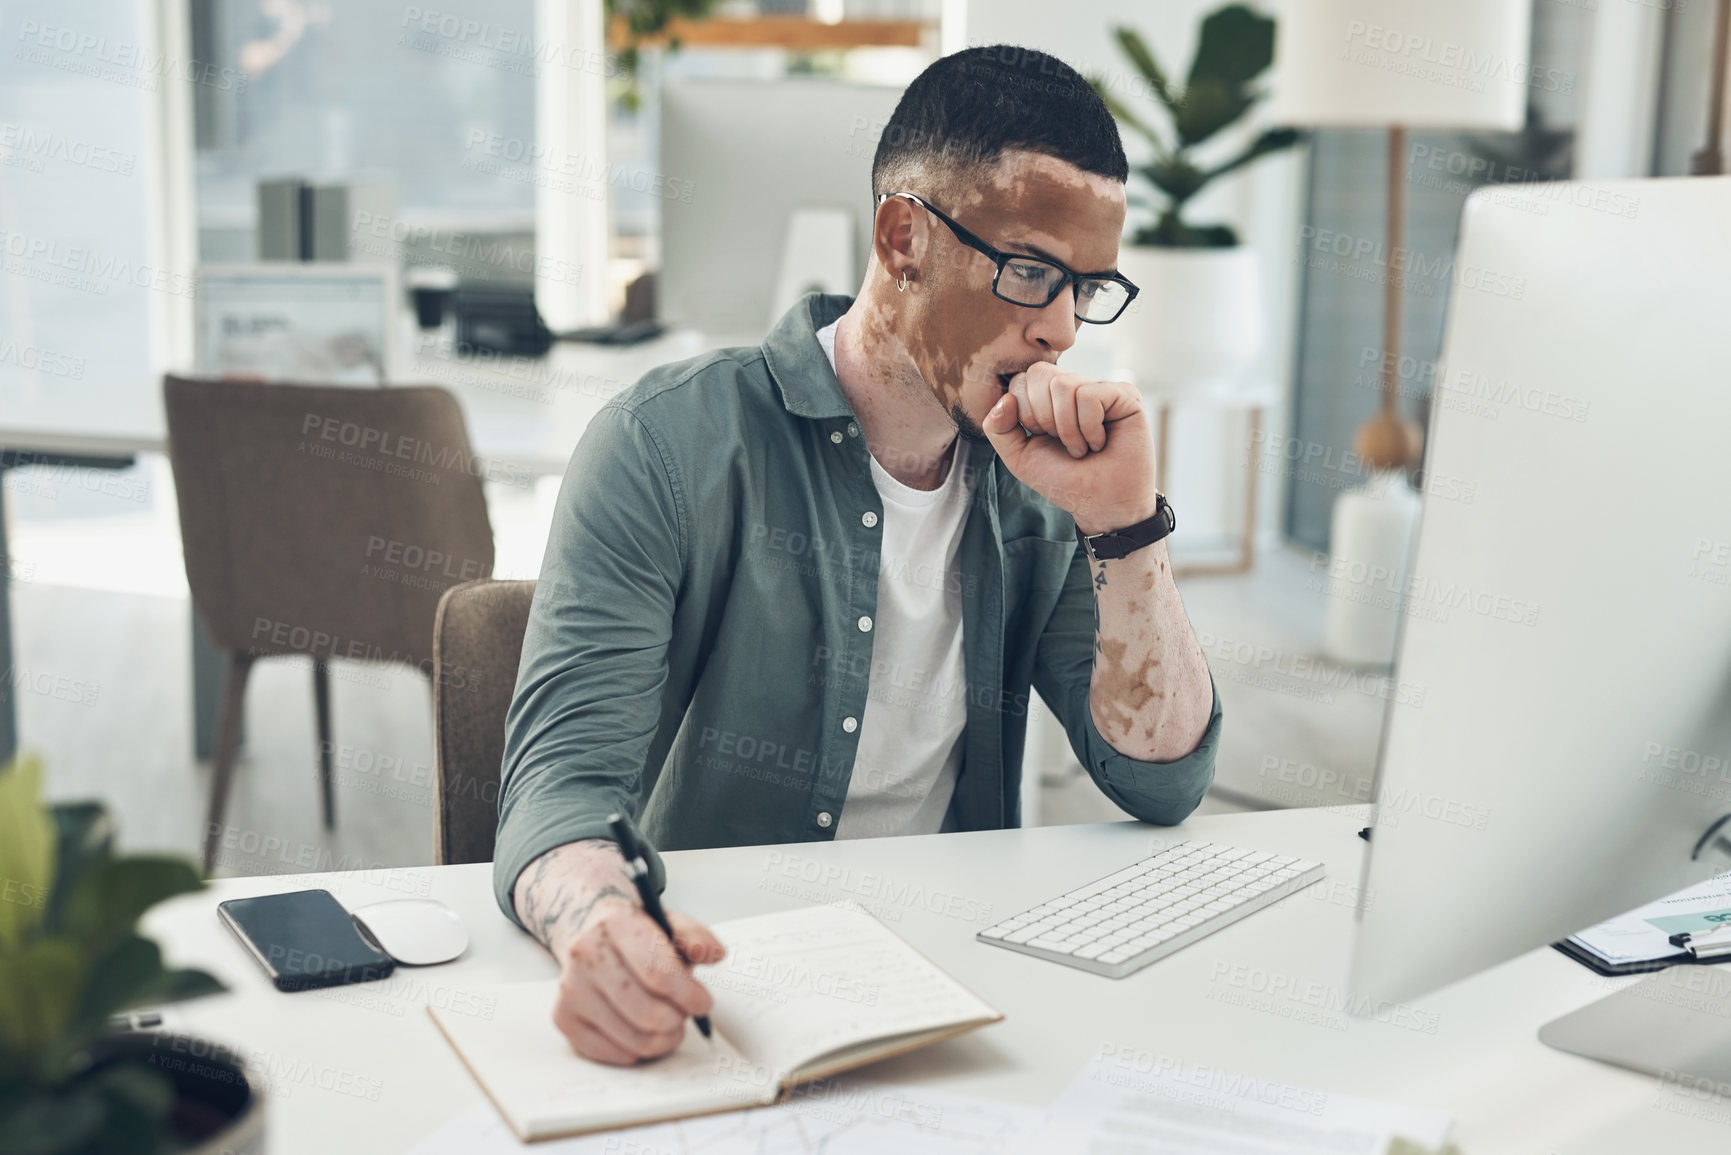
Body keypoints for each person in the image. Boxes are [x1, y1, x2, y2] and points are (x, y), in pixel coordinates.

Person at [493, 44, 1222, 1066]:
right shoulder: (664, 444)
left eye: (1087, 287)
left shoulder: (1039, 483)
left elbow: (1159, 785)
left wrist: (1125, 528)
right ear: (902, 235)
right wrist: (597, 926)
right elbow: (560, 785)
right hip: (722, 986)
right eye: (1028, 273)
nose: (1060, 328)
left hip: (957, 986)